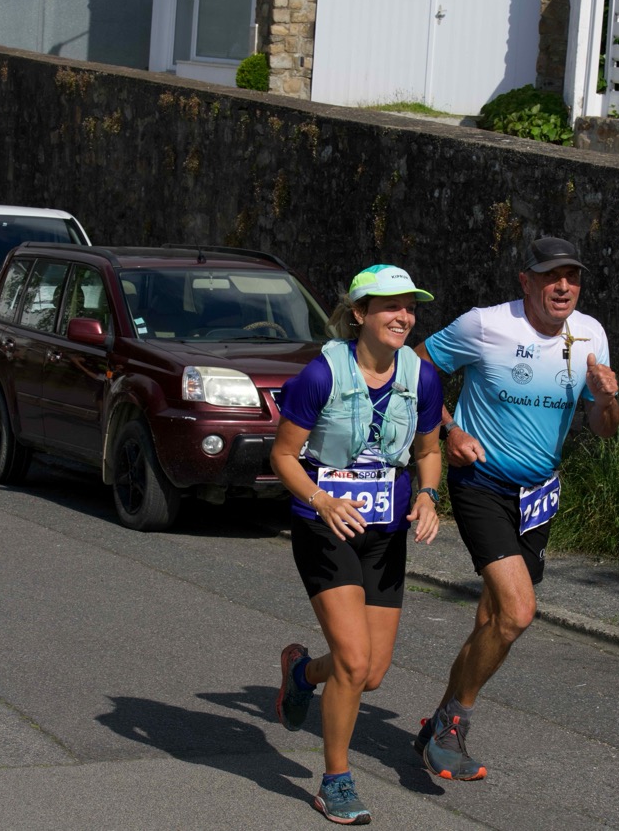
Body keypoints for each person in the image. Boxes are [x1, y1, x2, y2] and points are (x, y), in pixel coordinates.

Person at [411, 236, 619, 781]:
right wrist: (449, 431)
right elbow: (416, 369)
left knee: (493, 620)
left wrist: (607, 399)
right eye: (551, 276)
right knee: (519, 612)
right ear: (526, 281)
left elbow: (604, 429)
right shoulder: (486, 325)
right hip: (481, 482)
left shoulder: (590, 334)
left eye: (572, 276)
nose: (564, 286)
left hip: (537, 496)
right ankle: (455, 724)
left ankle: (437, 727)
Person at [271, 264, 444, 825]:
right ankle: (335, 780)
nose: (403, 316)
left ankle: (302, 674)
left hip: (386, 533)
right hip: (325, 526)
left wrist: (429, 496)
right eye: (391, 306)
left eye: (410, 307)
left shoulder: (422, 377)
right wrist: (322, 501)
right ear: (360, 313)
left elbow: (428, 451)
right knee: (352, 659)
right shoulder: (321, 374)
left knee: (370, 673)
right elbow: (283, 456)